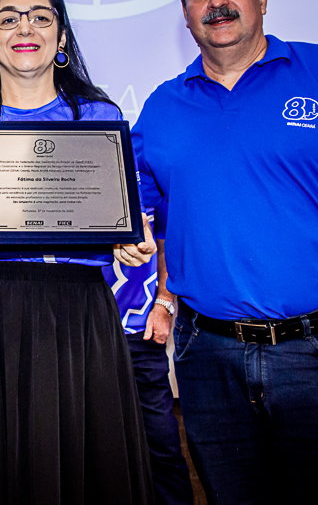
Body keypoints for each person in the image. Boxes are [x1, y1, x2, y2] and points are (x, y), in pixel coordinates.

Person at [131, 0, 318, 503]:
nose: (217, 0)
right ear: (186, 14)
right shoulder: (161, 106)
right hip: (207, 359)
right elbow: (144, 213)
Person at [0, 0, 156, 504]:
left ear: (61, 36)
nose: (26, 27)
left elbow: (128, 222)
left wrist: (134, 242)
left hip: (80, 311)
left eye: (41, 17)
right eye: (9, 18)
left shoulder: (101, 118)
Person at [103, 201, 193, 505]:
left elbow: (169, 239)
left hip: (139, 332)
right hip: (73, 331)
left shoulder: (148, 154)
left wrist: (165, 304)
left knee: (161, 449)